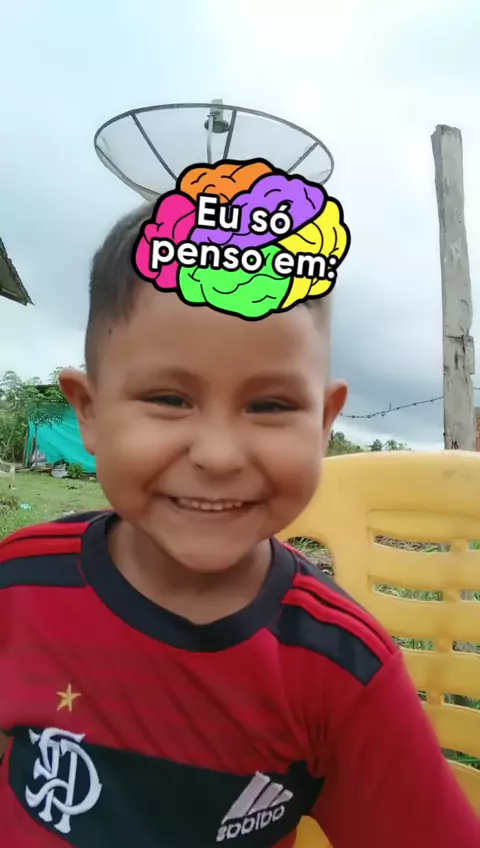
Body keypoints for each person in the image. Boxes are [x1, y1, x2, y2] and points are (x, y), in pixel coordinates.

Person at [0, 204, 479, 848]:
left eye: (270, 405)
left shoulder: (341, 669)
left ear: (324, 422)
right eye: (169, 399)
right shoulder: (20, 583)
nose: (219, 455)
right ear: (89, 411)